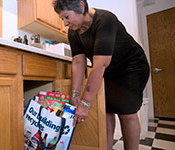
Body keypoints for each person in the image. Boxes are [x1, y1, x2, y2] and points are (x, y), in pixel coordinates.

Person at [53, 0, 150, 150]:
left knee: (126, 112)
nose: (65, 23)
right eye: (62, 19)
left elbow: (100, 65)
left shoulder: (105, 20)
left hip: (131, 66)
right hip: (109, 71)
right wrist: (74, 94)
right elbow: (79, 62)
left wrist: (85, 103)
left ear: (80, 6)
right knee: (105, 112)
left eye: (66, 17)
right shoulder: (74, 32)